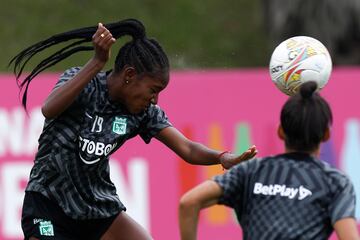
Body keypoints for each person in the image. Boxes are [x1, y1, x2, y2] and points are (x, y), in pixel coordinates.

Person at [9, 19, 257, 240]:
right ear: (129, 75)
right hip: (49, 206)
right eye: (153, 90)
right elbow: (49, 109)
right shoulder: (83, 83)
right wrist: (96, 61)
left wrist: (222, 157)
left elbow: (188, 148)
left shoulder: (142, 113)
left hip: (97, 208)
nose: (155, 100)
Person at [178, 81, 359, 240]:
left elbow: (189, 202)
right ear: (326, 134)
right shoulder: (335, 182)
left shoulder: (251, 170)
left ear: (280, 131)